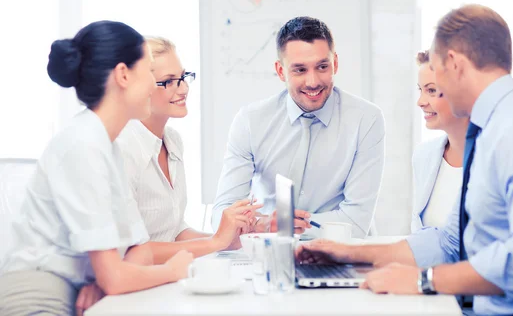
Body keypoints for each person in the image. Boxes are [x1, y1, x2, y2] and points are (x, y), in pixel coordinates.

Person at [296, 5, 513, 315]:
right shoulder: (491, 130)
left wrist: (423, 280)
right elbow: (451, 242)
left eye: (436, 74)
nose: (426, 95)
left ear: (454, 64)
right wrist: (349, 253)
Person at [0, 21, 193, 316]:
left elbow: (139, 249)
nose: (155, 88)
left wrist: (110, 280)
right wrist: (171, 270)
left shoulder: (107, 145)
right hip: (40, 295)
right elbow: (116, 275)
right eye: (149, 72)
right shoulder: (83, 145)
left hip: (83, 292)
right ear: (124, 75)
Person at [212, 16, 385, 238]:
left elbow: (356, 222)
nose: (313, 82)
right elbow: (222, 216)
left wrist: (277, 224)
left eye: (322, 66)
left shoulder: (366, 119)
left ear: (336, 64)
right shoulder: (250, 122)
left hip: (343, 253)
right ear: (281, 71)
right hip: (271, 252)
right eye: (300, 70)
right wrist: (265, 225)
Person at [115, 37, 260, 264]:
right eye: (169, 81)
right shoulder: (122, 149)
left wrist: (227, 239)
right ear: (141, 86)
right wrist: (215, 242)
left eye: (183, 77)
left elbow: (174, 232)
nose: (184, 88)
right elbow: (129, 251)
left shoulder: (173, 141)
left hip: (161, 278)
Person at [412, 50, 468, 232]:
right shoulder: (424, 156)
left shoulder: (494, 157)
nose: (420, 101)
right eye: (421, 90)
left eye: (431, 90)